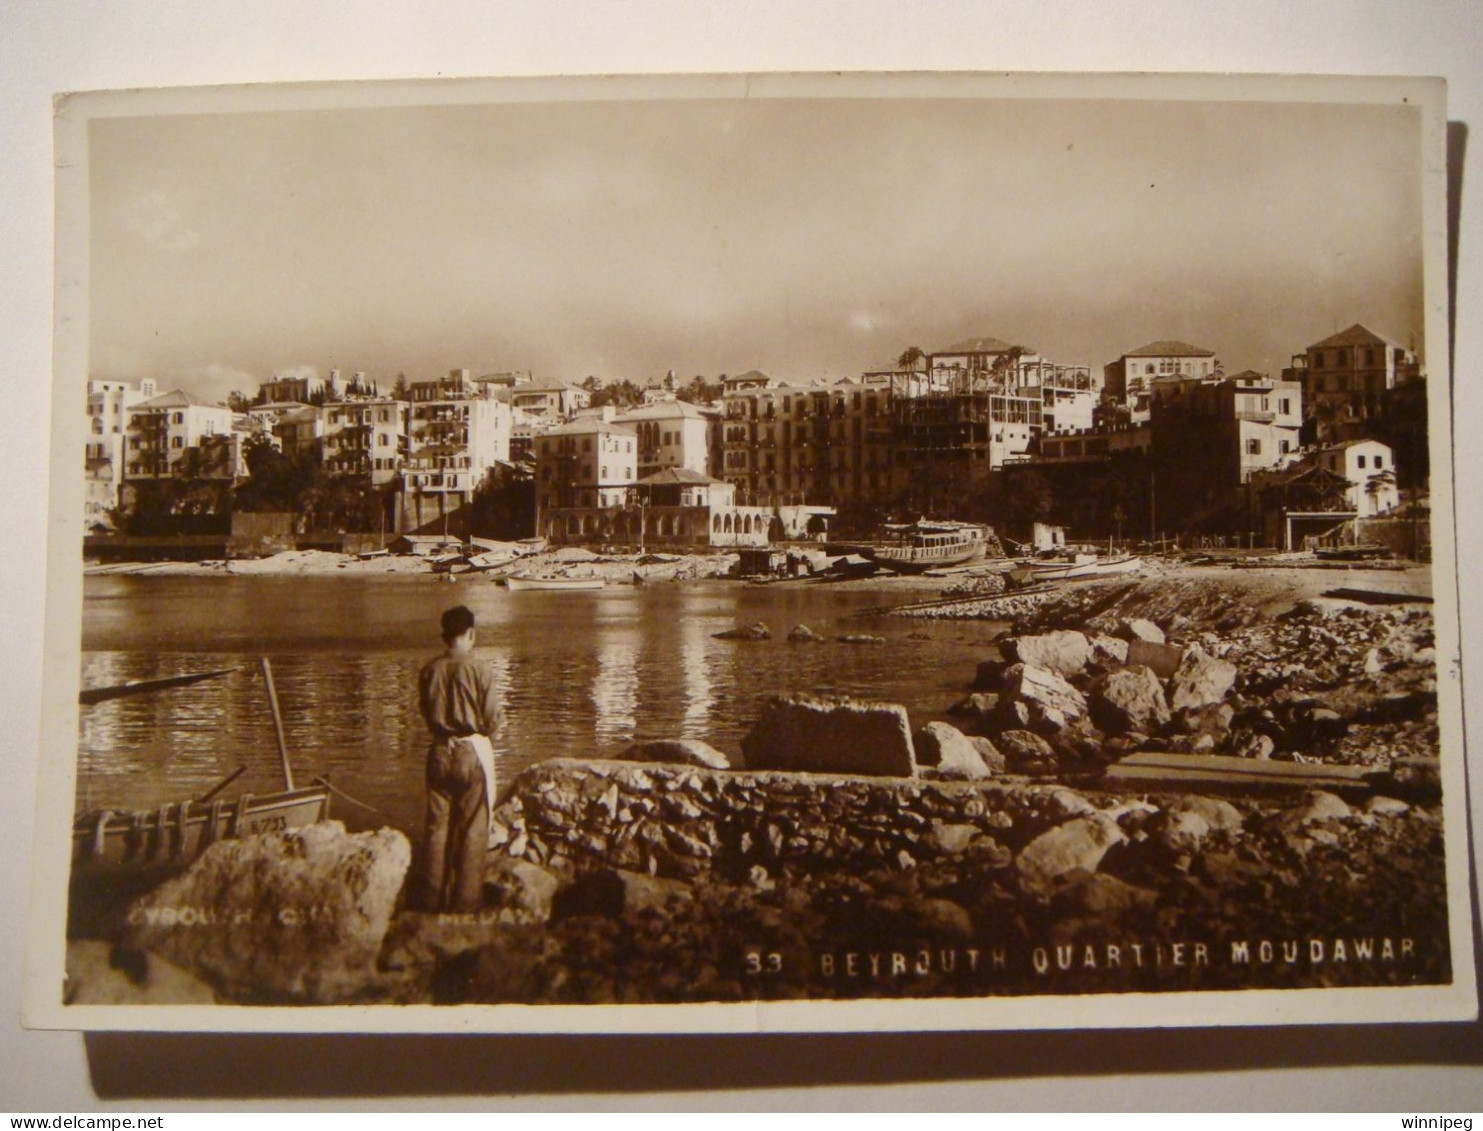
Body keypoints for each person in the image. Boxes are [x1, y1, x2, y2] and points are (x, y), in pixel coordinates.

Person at [417, 604, 503, 913]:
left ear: (444, 637)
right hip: (470, 751)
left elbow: (426, 713)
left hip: (439, 750)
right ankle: (465, 905)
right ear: (470, 634)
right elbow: (493, 718)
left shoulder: (429, 670)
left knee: (436, 829)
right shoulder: (481, 669)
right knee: (472, 829)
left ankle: (429, 902)